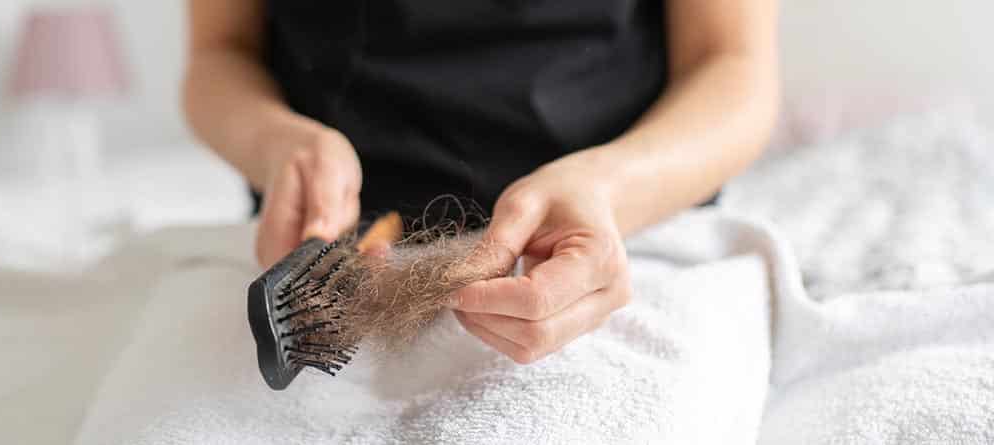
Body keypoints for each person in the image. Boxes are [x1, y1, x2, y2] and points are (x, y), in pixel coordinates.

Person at [183, 0, 778, 365]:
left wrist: (608, 187)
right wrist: (274, 143)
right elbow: (219, 52)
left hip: (614, 245)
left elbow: (732, 66)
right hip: (313, 269)